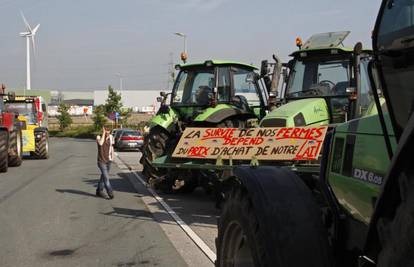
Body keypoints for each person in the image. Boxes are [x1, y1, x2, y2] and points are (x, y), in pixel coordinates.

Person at [96, 126, 115, 199]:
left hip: (108, 160)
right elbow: (100, 143)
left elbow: (112, 147)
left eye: (108, 130)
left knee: (103, 177)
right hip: (101, 161)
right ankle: (110, 192)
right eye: (106, 130)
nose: (107, 132)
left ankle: (99, 191)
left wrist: (113, 157)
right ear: (103, 130)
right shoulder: (98, 137)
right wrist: (103, 133)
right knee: (106, 178)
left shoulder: (111, 137)